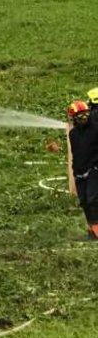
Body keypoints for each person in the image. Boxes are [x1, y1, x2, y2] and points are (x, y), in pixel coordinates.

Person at [66, 101, 98, 239]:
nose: (84, 117)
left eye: (86, 114)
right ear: (73, 117)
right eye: (80, 115)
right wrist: (75, 171)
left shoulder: (96, 129)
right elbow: (76, 153)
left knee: (93, 200)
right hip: (80, 172)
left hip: (94, 169)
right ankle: (92, 231)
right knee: (84, 202)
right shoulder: (73, 134)